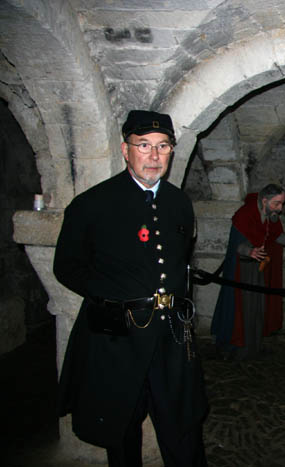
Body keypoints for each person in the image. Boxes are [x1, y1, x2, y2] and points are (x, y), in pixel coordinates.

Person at [53, 110, 208, 466]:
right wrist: (112, 295)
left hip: (170, 334)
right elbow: (66, 267)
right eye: (144, 145)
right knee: (121, 428)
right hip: (118, 334)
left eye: (163, 146)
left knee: (182, 422)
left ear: (171, 151)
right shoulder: (91, 204)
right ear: (126, 150)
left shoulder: (179, 203)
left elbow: (180, 262)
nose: (154, 156)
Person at [210, 183, 285, 361]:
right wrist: (250, 251)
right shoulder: (244, 215)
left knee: (257, 307)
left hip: (258, 268)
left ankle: (253, 348)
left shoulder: (269, 215)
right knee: (243, 308)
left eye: (282, 204)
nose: (280, 208)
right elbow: (236, 245)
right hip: (242, 270)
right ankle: (237, 349)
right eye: (277, 203)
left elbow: (277, 236)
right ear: (264, 200)